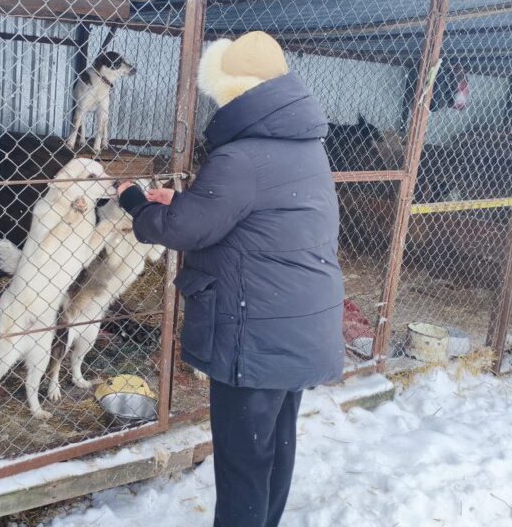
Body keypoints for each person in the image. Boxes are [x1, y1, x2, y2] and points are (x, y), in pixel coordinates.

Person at [115, 31, 344, 527]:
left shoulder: (240, 157)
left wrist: (134, 200)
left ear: (231, 91)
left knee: (242, 465)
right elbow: (246, 214)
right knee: (275, 448)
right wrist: (187, 203)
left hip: (254, 333)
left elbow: (183, 229)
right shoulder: (307, 147)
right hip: (296, 325)